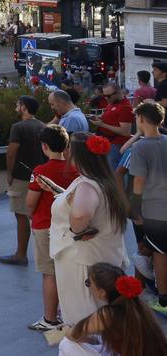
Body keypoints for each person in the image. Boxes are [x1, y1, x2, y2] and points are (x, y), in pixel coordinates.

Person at [45, 133, 131, 327]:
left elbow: (80, 215)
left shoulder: (87, 184)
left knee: (85, 319)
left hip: (82, 263)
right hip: (101, 259)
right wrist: (62, 194)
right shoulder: (104, 180)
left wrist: (77, 229)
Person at [26, 125, 78, 334]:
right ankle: (69, 314)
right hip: (70, 227)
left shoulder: (40, 171)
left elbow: (30, 203)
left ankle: (50, 318)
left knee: (50, 273)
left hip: (45, 226)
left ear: (44, 146)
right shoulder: (76, 169)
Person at [59, 263, 167, 355]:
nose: (88, 286)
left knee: (66, 344)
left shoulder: (108, 314)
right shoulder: (135, 304)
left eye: (89, 283)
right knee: (98, 339)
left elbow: (72, 335)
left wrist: (76, 330)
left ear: (102, 292)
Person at [127, 98, 167, 316]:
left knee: (160, 253)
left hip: (154, 210)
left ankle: (163, 300)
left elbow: (138, 182)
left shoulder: (140, 147)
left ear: (141, 119)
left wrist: (135, 208)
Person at [0, 95, 44, 266]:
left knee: (21, 214)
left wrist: (9, 173)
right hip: (39, 176)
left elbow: (11, 153)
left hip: (22, 177)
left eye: (18, 104)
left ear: (24, 107)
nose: (16, 107)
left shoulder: (18, 127)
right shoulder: (42, 125)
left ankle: (21, 254)